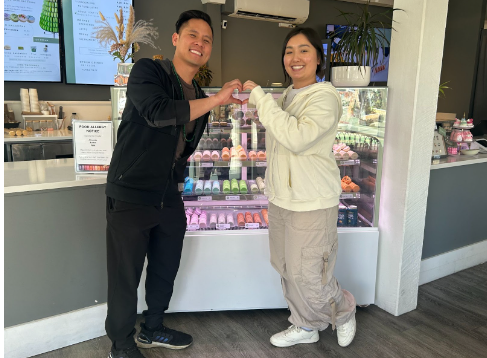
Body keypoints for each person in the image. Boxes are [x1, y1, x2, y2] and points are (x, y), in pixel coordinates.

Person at [105, 10, 242, 358]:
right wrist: (216, 99)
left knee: (166, 266)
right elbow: (157, 112)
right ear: (176, 39)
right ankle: (121, 346)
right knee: (125, 276)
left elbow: (185, 147)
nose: (200, 43)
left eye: (207, 39)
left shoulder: (197, 92)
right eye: (193, 35)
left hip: (167, 193)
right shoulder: (148, 71)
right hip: (131, 190)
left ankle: (152, 328)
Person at [243, 27, 357, 348]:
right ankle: (305, 325)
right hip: (283, 199)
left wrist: (262, 100)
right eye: (289, 51)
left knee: (309, 274)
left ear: (318, 58)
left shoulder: (324, 96)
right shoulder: (288, 96)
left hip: (312, 202)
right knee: (287, 268)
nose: (295, 58)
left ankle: (345, 310)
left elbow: (296, 138)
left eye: (304, 50)